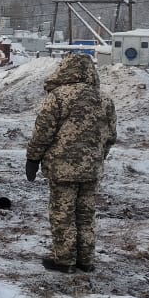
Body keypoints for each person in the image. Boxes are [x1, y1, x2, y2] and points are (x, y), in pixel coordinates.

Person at [24, 53, 118, 273]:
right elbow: (110, 136)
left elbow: (43, 133)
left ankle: (65, 260)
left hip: (62, 168)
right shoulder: (104, 100)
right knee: (85, 214)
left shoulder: (58, 97)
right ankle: (86, 260)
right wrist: (97, 157)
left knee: (62, 213)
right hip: (91, 169)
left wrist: (33, 159)